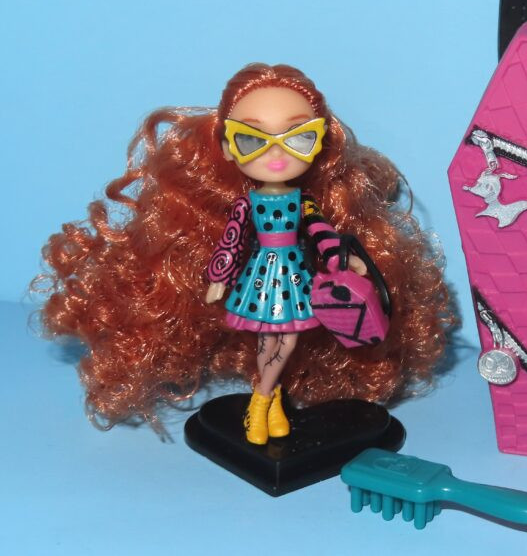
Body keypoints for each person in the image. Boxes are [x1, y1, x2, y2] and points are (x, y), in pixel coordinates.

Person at [36, 63, 449, 443]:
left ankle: (263, 398)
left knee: (285, 340)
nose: (276, 153)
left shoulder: (303, 203)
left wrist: (344, 259)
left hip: (294, 276)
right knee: (271, 340)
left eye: (298, 137)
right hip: (261, 276)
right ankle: (266, 400)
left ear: (320, 144)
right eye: (252, 139)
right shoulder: (247, 205)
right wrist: (219, 278)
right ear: (228, 147)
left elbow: (321, 233)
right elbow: (232, 241)